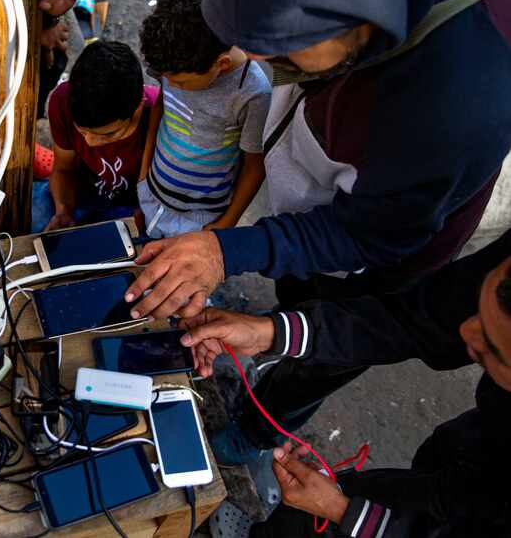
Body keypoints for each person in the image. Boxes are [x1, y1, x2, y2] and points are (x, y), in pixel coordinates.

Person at [36, 0, 511, 462]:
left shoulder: (459, 106)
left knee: (322, 353)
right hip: (308, 181)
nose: (253, 59)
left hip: (377, 256)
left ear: (363, 23)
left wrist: (225, 250)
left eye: (284, 47)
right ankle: (273, 337)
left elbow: (359, 235)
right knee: (290, 298)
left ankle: (257, 431)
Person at [176, 228, 511, 537]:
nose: (466, 330)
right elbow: (413, 318)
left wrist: (348, 514)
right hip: (465, 458)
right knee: (323, 507)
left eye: (494, 348)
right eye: (480, 306)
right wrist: (271, 332)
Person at [136, 0, 270, 236]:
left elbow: (254, 164)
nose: (171, 86)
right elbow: (160, 108)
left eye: (181, 82)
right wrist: (144, 175)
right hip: (151, 194)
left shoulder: (254, 95)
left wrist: (225, 224)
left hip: (202, 220)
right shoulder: (173, 59)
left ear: (221, 64)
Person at [31, 40, 159, 232]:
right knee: (33, 222)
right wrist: (64, 211)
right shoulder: (62, 100)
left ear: (138, 108)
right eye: (82, 131)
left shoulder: (159, 115)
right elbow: (65, 168)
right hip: (81, 194)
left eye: (107, 134)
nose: (90, 142)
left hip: (135, 207)